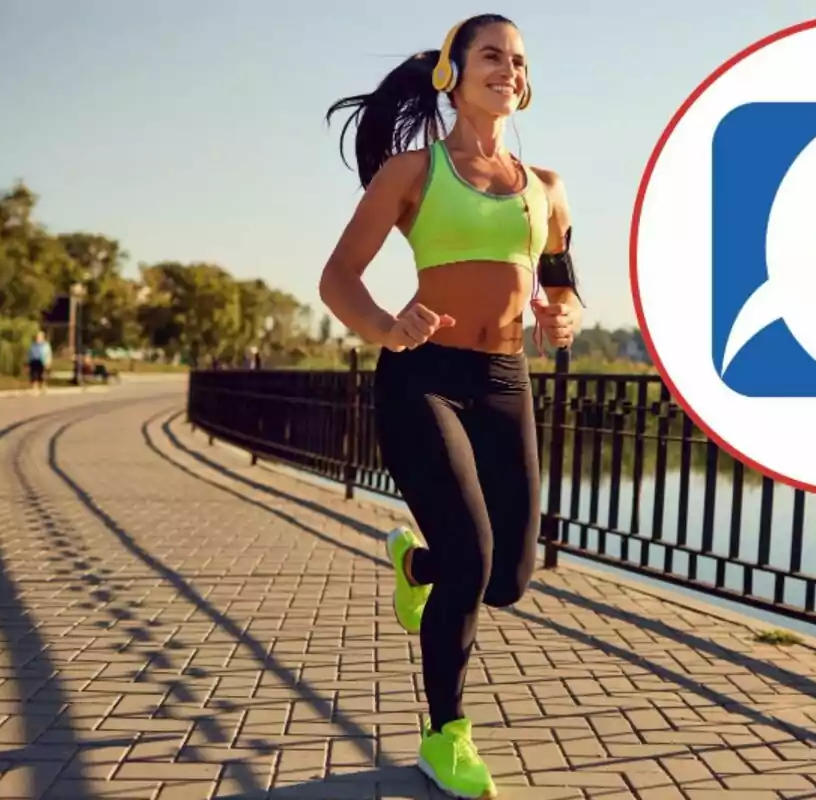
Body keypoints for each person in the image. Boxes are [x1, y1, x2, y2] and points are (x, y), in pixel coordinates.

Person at [319, 14, 583, 798]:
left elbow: (562, 281)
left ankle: (416, 561)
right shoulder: (412, 172)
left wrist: (563, 315)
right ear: (453, 72)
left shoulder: (547, 190)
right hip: (422, 378)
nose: (508, 68)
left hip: (506, 382)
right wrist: (384, 327)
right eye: (492, 55)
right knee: (472, 559)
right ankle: (446, 736)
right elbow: (339, 277)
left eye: (519, 59)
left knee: (508, 578)